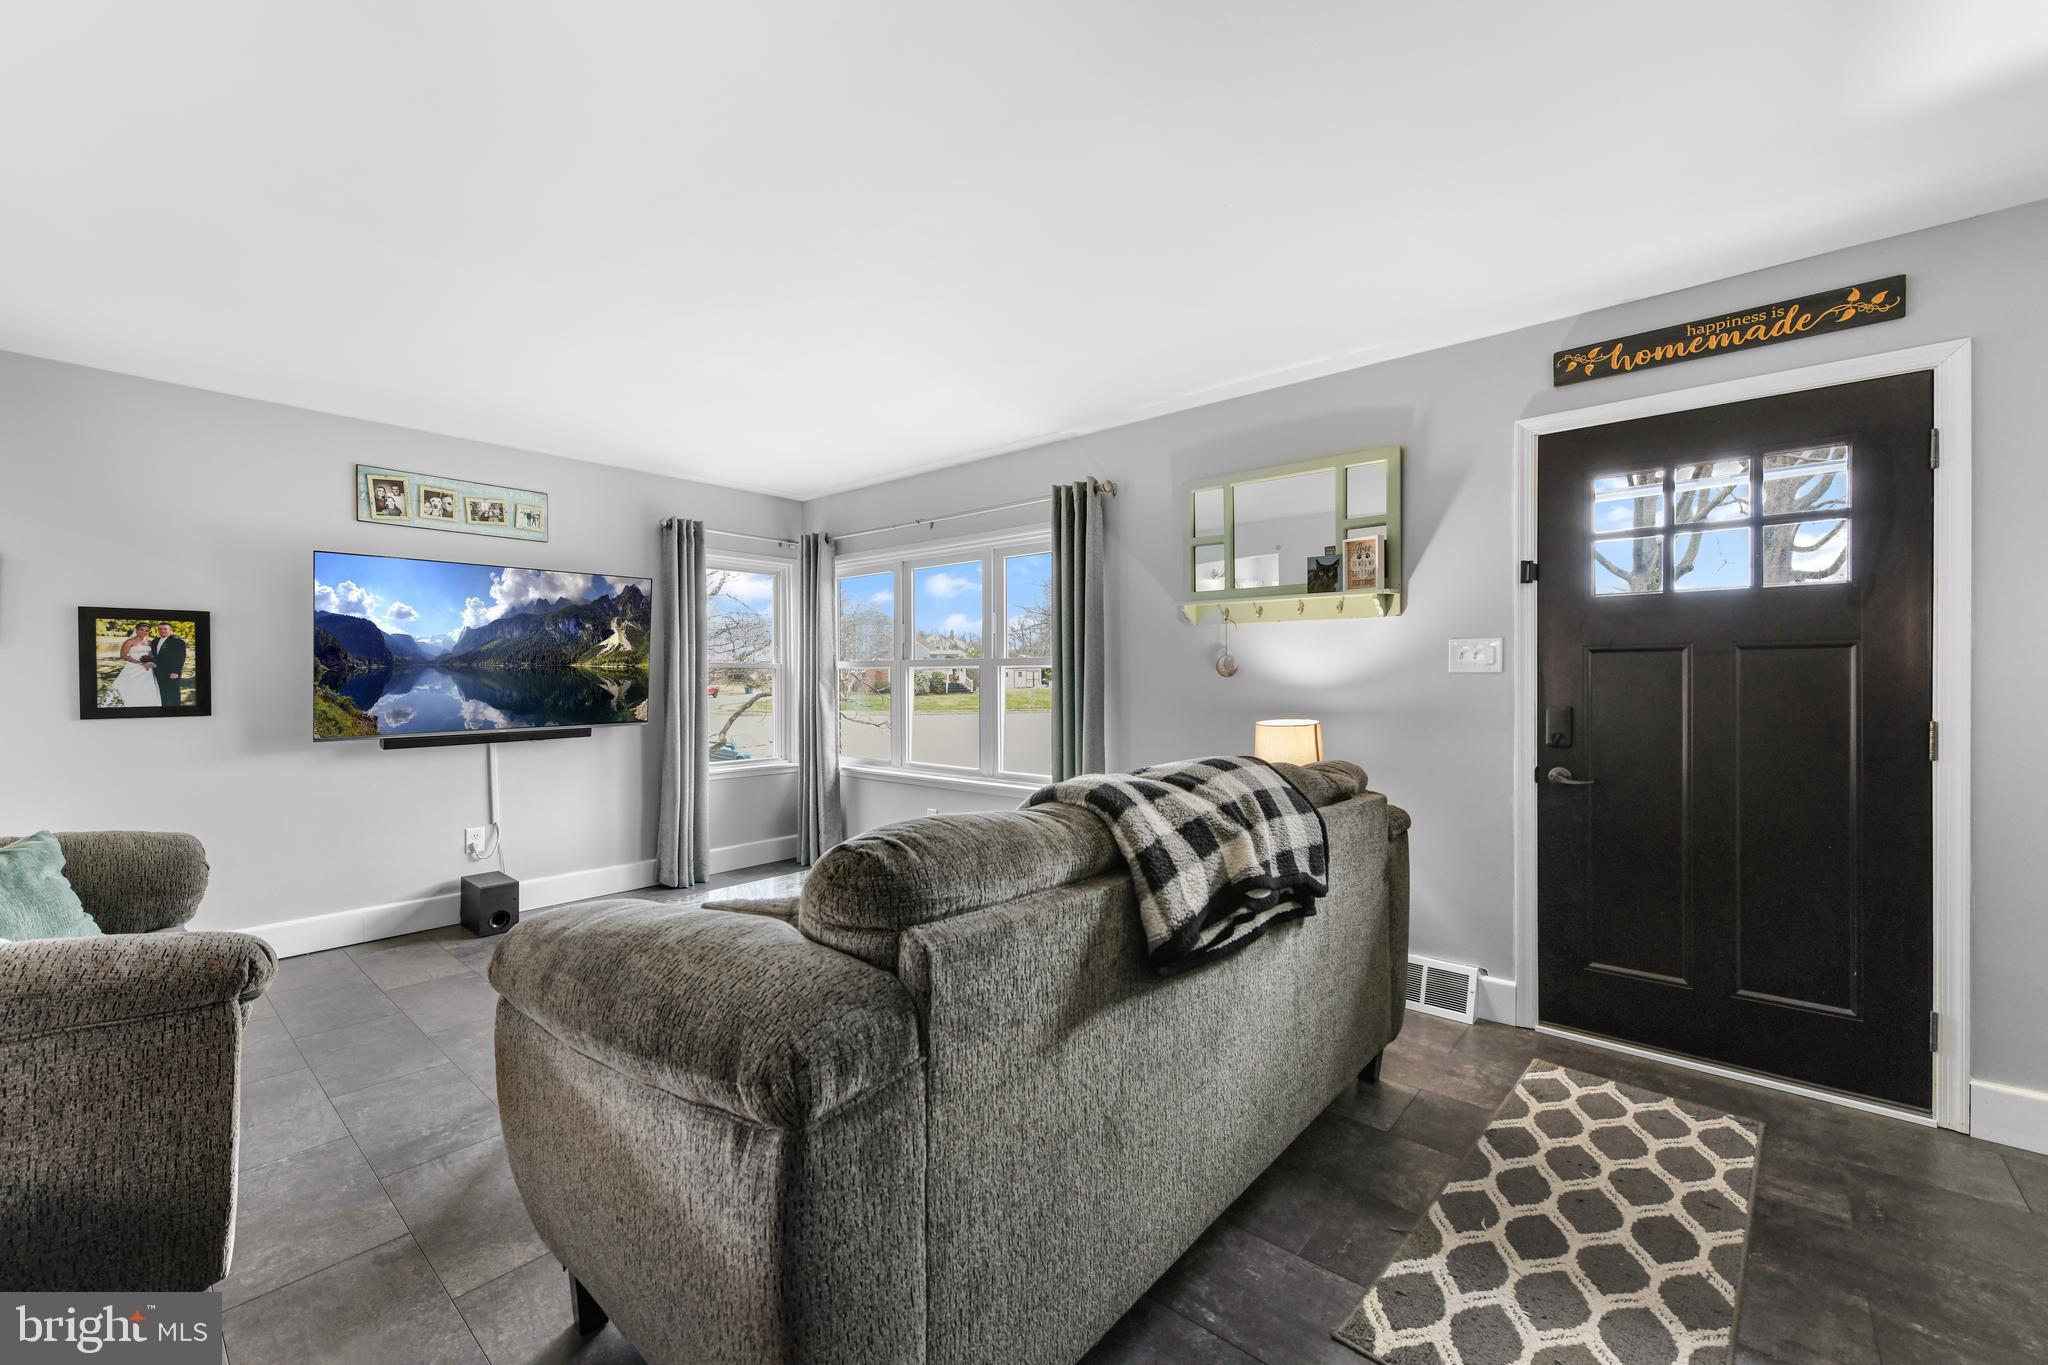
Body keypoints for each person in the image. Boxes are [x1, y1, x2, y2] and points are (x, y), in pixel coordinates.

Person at [110, 624, 159, 707]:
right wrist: (140, 663)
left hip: (146, 670)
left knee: (146, 688)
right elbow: (123, 655)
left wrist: (150, 662)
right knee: (131, 687)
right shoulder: (129, 642)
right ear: (136, 630)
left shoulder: (150, 642)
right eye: (141, 629)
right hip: (132, 668)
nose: (144, 632)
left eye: (146, 630)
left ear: (149, 632)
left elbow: (151, 655)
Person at [150, 622, 188, 707]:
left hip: (171, 672)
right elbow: (155, 656)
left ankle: (175, 711)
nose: (162, 631)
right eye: (160, 629)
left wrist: (175, 671)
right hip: (158, 672)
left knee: (173, 693)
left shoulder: (177, 642)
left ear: (170, 630)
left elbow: (180, 657)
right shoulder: (155, 641)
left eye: (165, 629)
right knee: (162, 692)